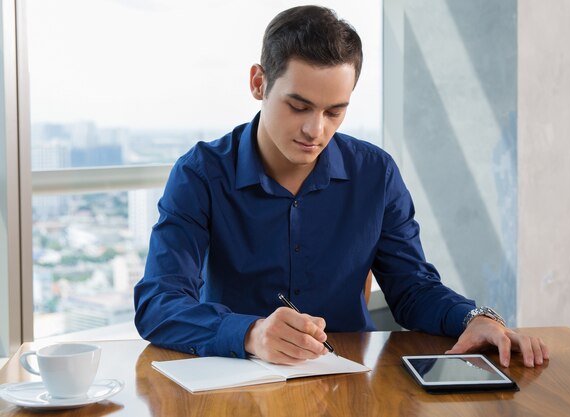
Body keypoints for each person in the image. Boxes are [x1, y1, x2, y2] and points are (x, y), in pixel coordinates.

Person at [134, 5, 548, 368]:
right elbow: (159, 303)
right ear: (259, 83)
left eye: (335, 111)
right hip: (234, 382)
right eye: (298, 107)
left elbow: (413, 289)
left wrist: (473, 318)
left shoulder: (375, 173)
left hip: (349, 379)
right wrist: (251, 334)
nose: (316, 130)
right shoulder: (201, 173)